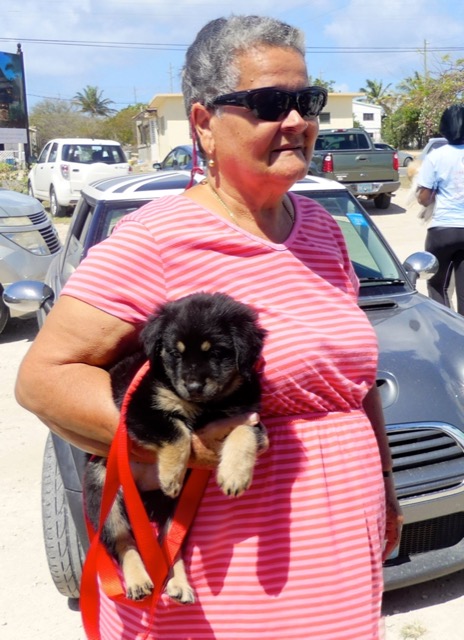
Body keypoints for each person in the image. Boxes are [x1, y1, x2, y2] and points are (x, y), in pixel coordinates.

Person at [15, 15, 402, 640]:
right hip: (217, 578)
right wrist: (177, 447)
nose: (298, 120)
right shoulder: (156, 238)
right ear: (202, 123)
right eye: (271, 103)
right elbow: (43, 381)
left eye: (308, 100)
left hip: (339, 556)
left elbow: (352, 385)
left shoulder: (325, 233)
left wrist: (384, 485)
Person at [417, 104, 464, 313]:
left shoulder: (435, 156)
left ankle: (446, 333)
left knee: (438, 286)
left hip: (443, 230)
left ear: (444, 128)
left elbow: (424, 199)